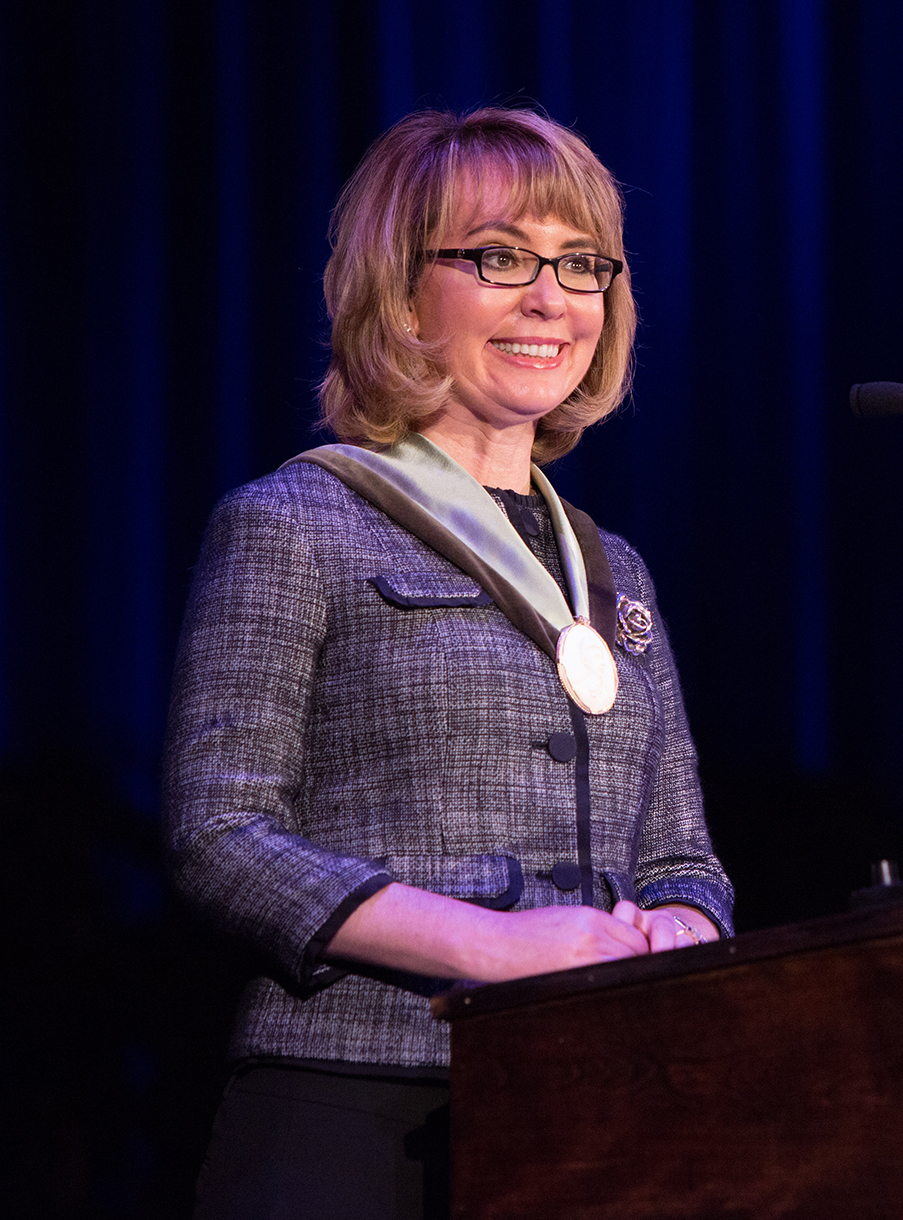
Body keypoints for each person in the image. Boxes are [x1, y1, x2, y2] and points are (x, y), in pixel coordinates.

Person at [164, 107, 733, 1219]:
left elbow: (684, 855)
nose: (550, 298)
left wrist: (685, 926)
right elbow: (218, 833)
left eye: (580, 264)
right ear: (401, 287)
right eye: (500, 256)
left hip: (588, 1117)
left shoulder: (619, 574)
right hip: (350, 1108)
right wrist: (492, 944)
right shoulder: (295, 522)